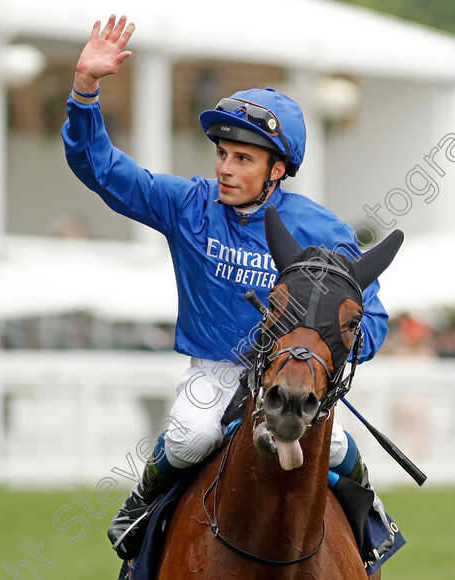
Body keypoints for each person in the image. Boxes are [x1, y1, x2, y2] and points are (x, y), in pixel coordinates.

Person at [63, 15, 402, 572]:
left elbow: (374, 316)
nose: (224, 168)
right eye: (222, 154)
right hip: (214, 372)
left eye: (242, 159)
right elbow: (98, 167)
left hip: (291, 372)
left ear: (278, 169)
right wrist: (85, 88)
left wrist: (326, 353)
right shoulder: (186, 205)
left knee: (337, 448)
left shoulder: (321, 231)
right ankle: (142, 507)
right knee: (190, 435)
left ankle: (371, 521)